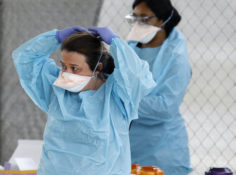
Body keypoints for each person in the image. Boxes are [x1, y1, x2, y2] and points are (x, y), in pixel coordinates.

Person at [12, 26, 156, 175]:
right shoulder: (57, 89)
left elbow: (137, 76)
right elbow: (25, 59)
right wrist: (55, 38)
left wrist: (116, 43)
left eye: (75, 68)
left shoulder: (118, 96)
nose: (66, 73)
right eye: (63, 66)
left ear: (97, 68)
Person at [126, 0, 192, 174]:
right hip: (129, 145)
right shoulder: (131, 46)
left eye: (145, 18)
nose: (138, 24)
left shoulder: (175, 56)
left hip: (162, 149)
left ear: (162, 20)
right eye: (135, 18)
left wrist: (123, 100)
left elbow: (165, 107)